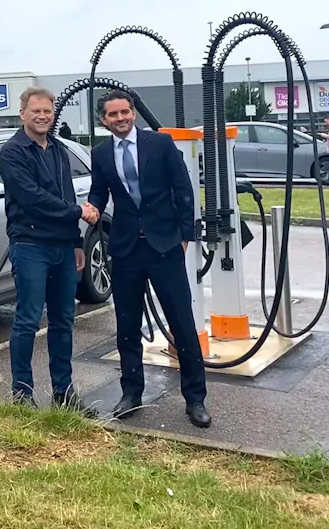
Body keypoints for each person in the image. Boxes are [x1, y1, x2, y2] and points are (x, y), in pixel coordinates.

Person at [85, 90, 211, 428]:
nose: (121, 118)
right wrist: (91, 207)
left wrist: (186, 235)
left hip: (165, 245)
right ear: (103, 120)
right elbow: (100, 191)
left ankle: (195, 399)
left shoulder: (160, 144)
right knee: (127, 325)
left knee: (182, 323)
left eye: (125, 112)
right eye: (113, 114)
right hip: (126, 249)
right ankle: (131, 393)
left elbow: (183, 188)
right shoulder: (100, 154)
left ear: (134, 114)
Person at [0, 86, 99, 411]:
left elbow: (66, 194)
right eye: (36, 111)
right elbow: (33, 199)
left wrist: (76, 242)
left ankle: (64, 393)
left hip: (62, 249)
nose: (42, 116)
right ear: (23, 114)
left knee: (63, 320)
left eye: (48, 111)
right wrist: (78, 212)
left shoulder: (57, 149)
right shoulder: (12, 153)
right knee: (28, 320)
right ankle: (22, 396)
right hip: (30, 247)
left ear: (53, 113)